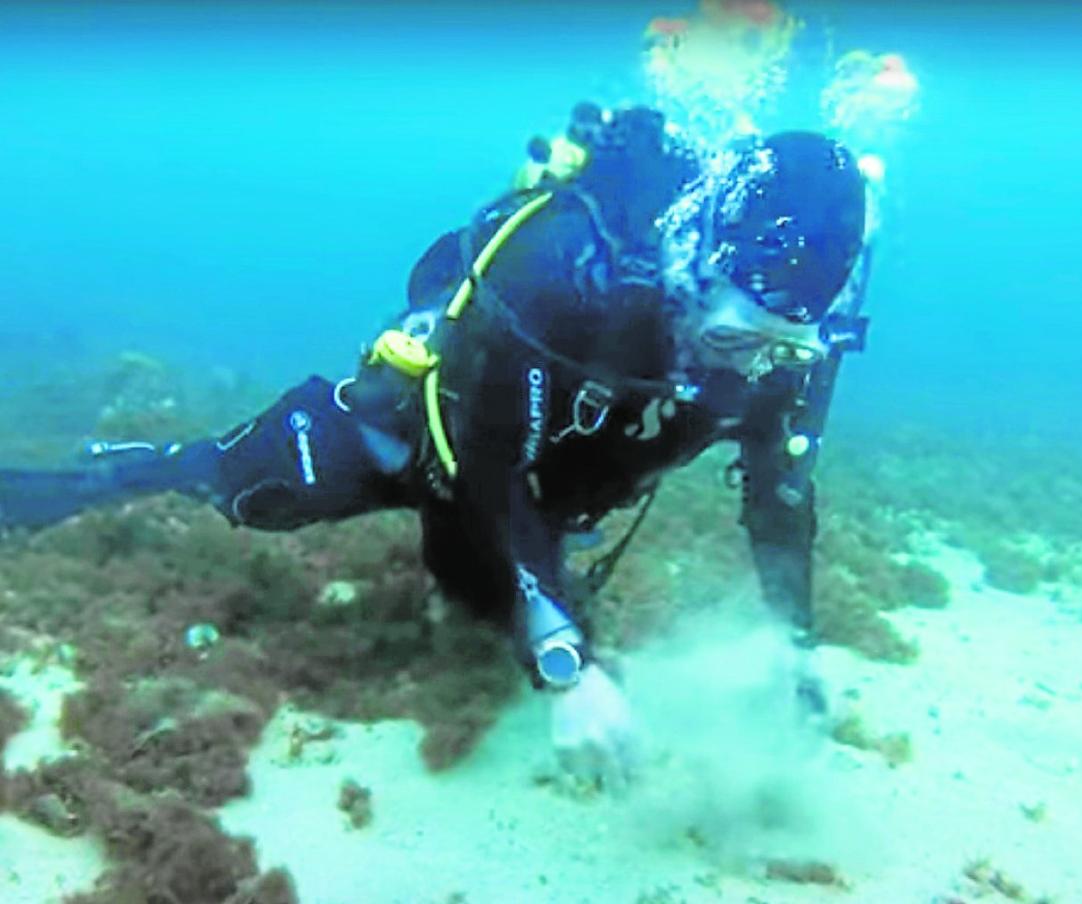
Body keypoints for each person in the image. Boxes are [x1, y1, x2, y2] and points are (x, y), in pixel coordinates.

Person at [0, 103, 872, 777]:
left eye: (784, 345)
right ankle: (119, 473)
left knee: (482, 590)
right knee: (256, 490)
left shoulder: (782, 354)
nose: (755, 362)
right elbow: (483, 472)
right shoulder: (566, 269)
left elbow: (780, 498)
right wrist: (566, 665)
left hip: (550, 488)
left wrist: (792, 647)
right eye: (737, 335)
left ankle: (527, 596)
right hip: (433, 433)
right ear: (699, 258)